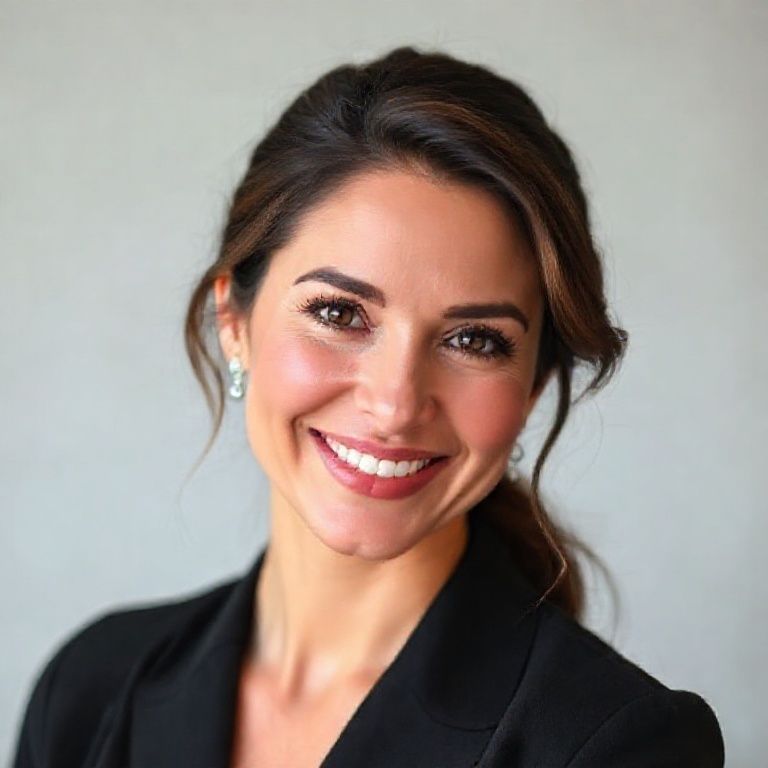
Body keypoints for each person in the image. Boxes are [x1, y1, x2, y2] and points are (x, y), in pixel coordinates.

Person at [12, 46, 725, 767]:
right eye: (339, 313)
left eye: (475, 339)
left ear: (534, 385)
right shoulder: (91, 691)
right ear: (234, 323)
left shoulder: (620, 744)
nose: (394, 404)